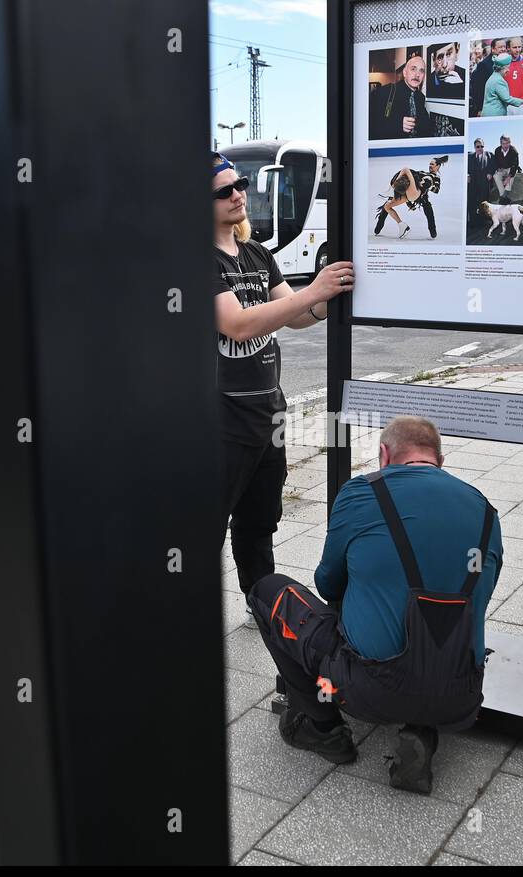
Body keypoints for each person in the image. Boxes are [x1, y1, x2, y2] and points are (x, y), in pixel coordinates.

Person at [247, 416, 503, 794]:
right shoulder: (487, 511)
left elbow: (327, 582)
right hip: (461, 694)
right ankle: (422, 730)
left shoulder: (362, 493)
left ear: (384, 454)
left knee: (268, 590)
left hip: (369, 690)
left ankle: (323, 728)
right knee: (436, 626)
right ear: (441, 460)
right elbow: (480, 598)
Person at [212, 153, 354, 599]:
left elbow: (293, 316)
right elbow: (237, 323)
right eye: (225, 191)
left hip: (266, 412)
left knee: (260, 518)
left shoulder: (256, 253)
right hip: (219, 419)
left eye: (242, 184)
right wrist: (312, 292)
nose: (239, 195)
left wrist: (326, 300)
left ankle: (261, 598)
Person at [374, 155, 446, 240]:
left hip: (418, 194)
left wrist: (428, 184)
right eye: (430, 164)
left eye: (432, 164)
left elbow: (436, 190)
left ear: (438, 166)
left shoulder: (435, 177)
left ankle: (432, 231)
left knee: (405, 169)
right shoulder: (423, 173)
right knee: (387, 205)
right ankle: (397, 226)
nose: (430, 165)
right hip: (411, 192)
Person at [369, 52, 435, 139]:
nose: (417, 74)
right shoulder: (386, 91)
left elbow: (425, 127)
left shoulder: (421, 97)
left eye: (421, 71)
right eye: (413, 69)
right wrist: (397, 124)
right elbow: (370, 124)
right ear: (404, 73)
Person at [480, 53, 523, 118]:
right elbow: (507, 99)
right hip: (494, 114)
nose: (508, 70)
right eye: (508, 68)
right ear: (503, 68)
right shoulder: (498, 80)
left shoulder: (494, 76)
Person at [469, 39, 507, 117]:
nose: (503, 49)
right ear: (493, 49)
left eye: (504, 47)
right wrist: (480, 108)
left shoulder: (505, 62)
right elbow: (477, 88)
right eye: (500, 47)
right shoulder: (484, 65)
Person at [467, 138, 493, 224]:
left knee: (484, 203)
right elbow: (465, 168)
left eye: (482, 146)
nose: (480, 148)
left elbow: (494, 165)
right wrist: (467, 175)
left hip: (484, 184)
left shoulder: (489, 155)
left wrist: (490, 173)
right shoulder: (469, 156)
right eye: (478, 146)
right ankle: (472, 222)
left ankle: (483, 220)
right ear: (474, 147)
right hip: (473, 184)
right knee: (472, 203)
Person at [491, 135, 520, 200]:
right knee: (496, 176)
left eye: (507, 143)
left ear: (510, 143)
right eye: (503, 143)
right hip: (502, 169)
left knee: (512, 177)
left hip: (510, 168)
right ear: (501, 143)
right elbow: (495, 162)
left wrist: (508, 177)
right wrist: (498, 167)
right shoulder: (497, 150)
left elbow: (515, 165)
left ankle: (505, 194)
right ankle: (503, 195)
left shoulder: (514, 151)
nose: (505, 145)